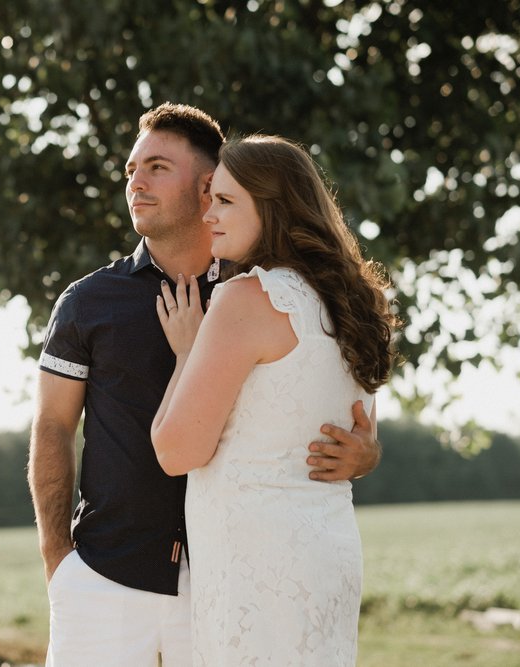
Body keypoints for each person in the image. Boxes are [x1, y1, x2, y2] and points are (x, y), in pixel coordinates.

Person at [28, 104, 382, 667]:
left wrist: (364, 451)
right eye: (131, 170)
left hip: (222, 578)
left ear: (207, 187)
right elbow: (51, 426)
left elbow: (316, 399)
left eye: (158, 168)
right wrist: (58, 558)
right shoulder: (87, 302)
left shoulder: (260, 292)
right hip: (106, 576)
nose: (135, 183)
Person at [150, 134, 400, 665]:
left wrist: (186, 355)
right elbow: (365, 433)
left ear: (271, 206)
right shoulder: (355, 301)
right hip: (327, 554)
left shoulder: (246, 298)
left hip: (257, 565)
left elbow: (176, 451)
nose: (207, 216)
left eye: (224, 201)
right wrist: (370, 457)